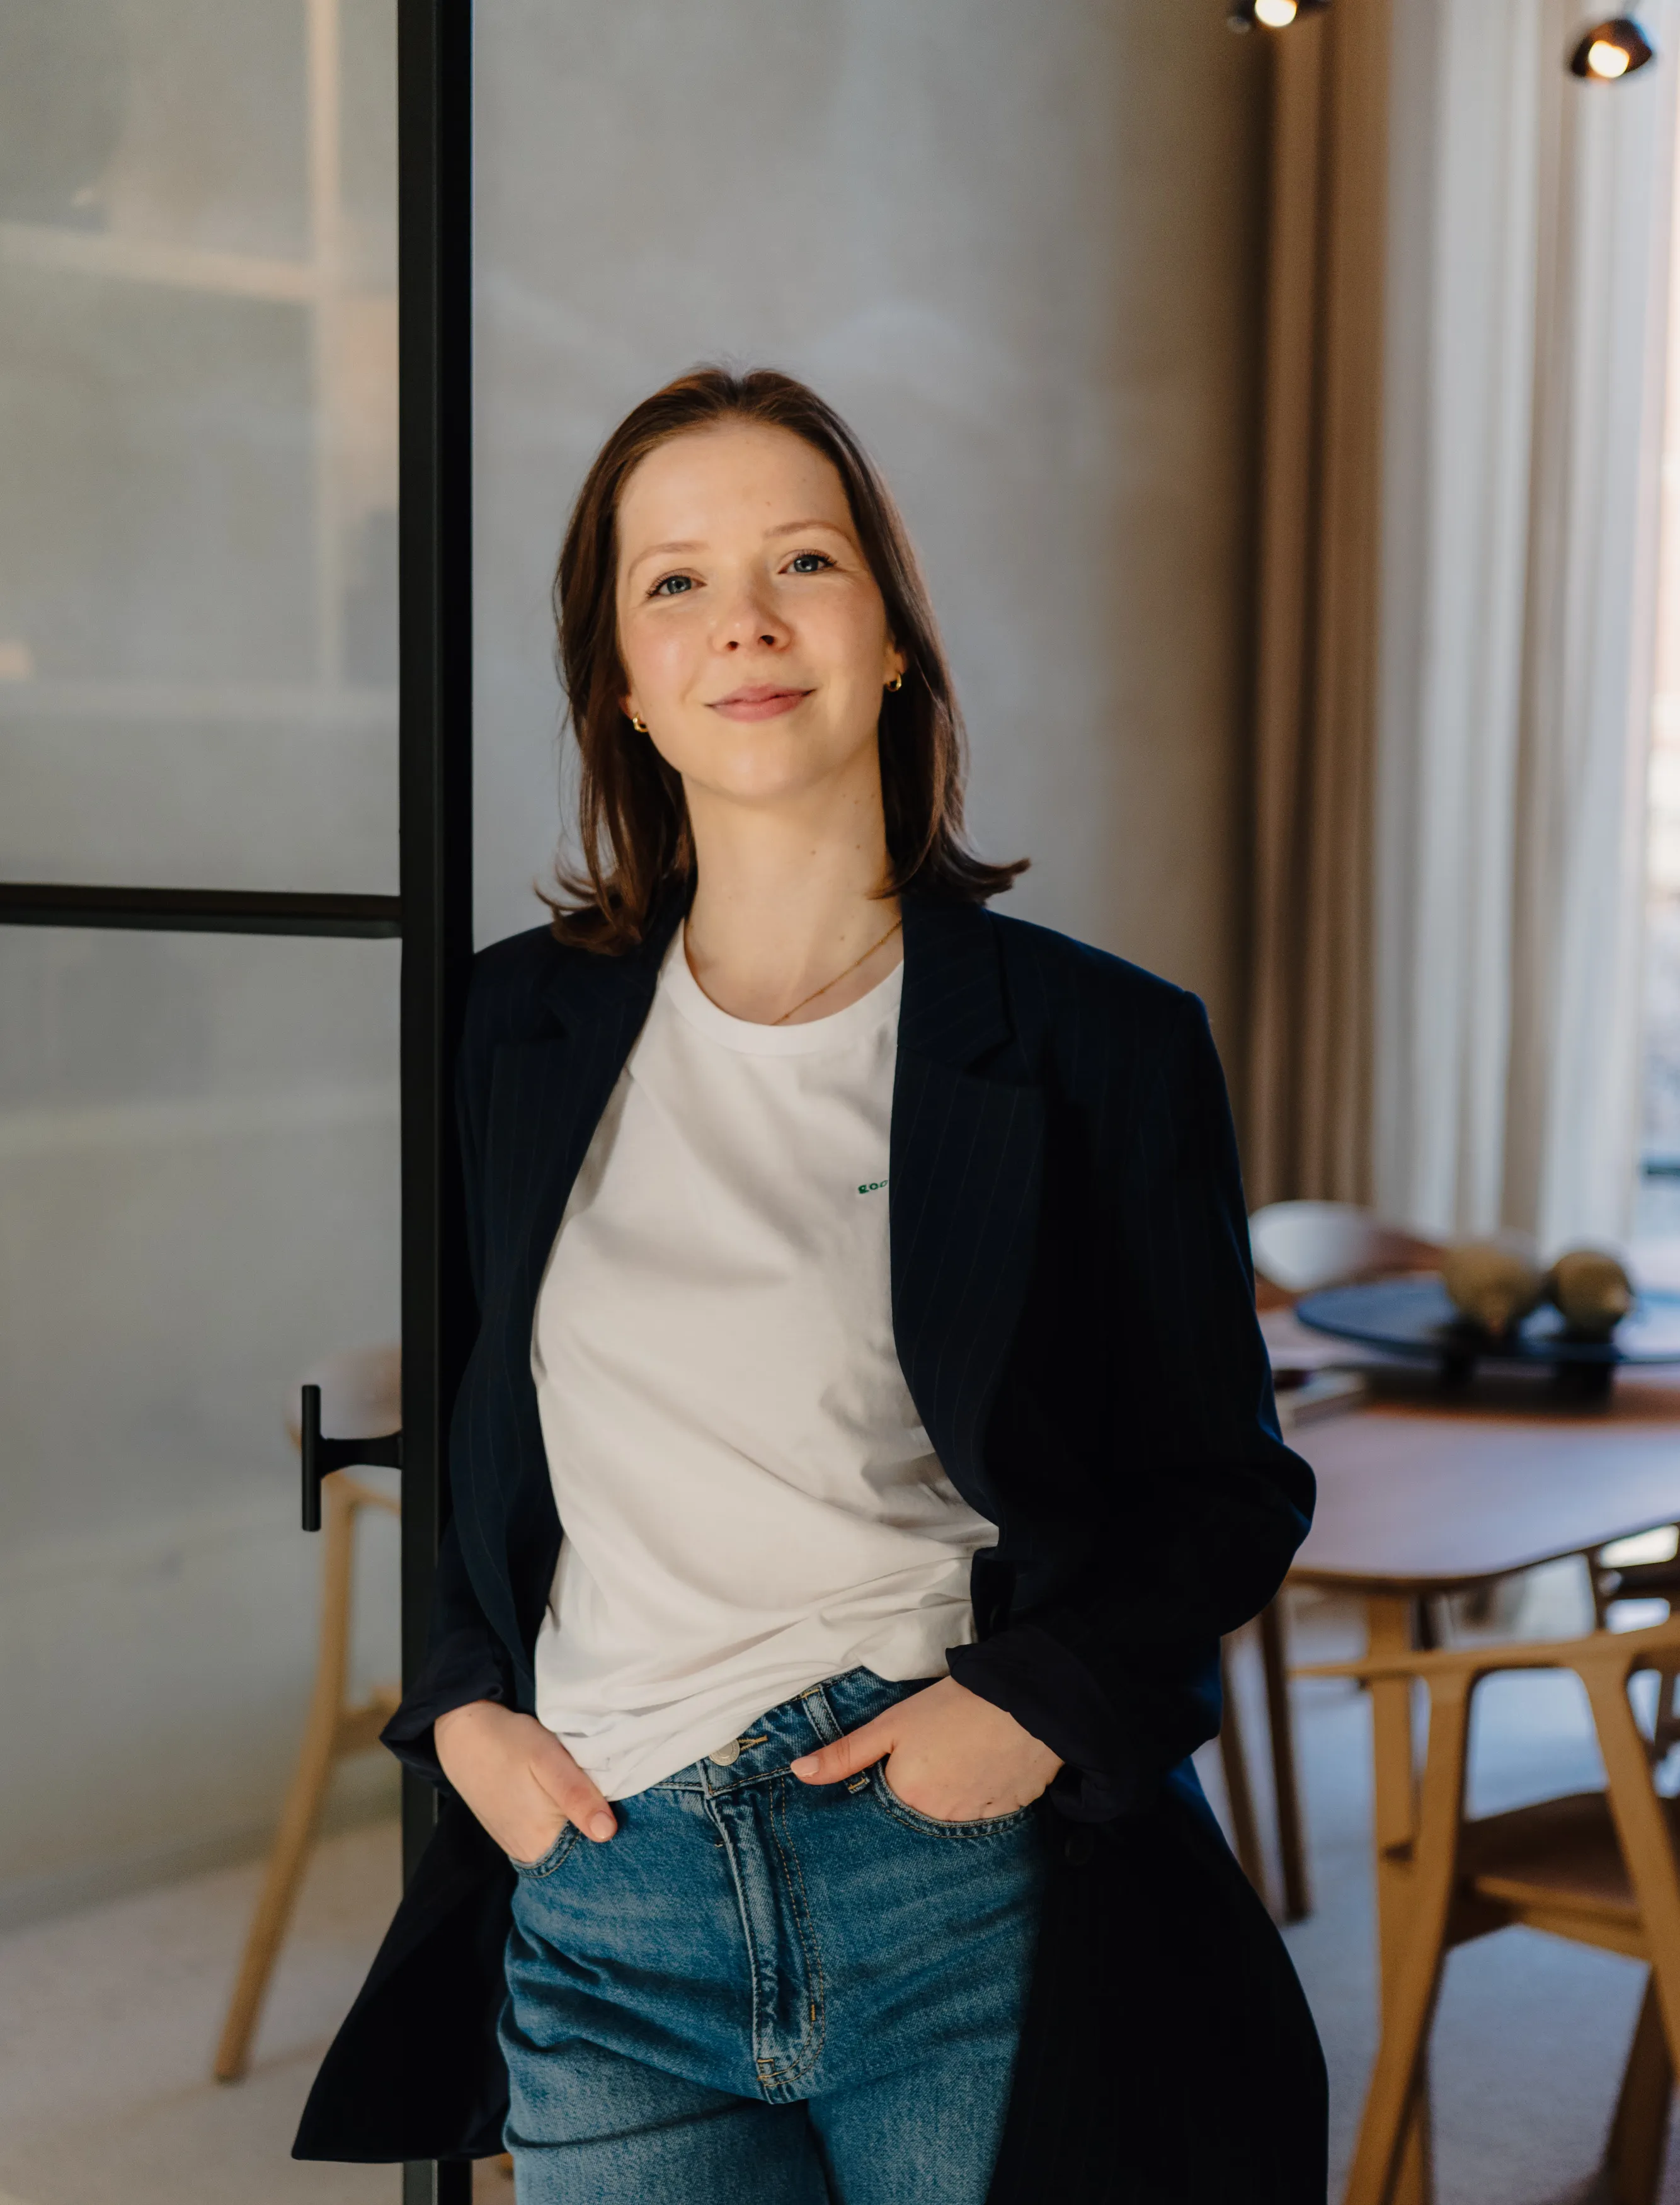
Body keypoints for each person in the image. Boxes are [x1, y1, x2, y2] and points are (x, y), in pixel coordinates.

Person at [295, 367, 1326, 2201]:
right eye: (673, 582)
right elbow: (470, 1438)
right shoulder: (506, 1026)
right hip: (607, 1906)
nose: (745, 619)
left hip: (948, 1891)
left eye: (803, 559)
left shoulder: (1101, 1042)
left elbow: (1229, 1480)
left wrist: (1027, 1708)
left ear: (894, 638)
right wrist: (464, 1712)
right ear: (620, 675)